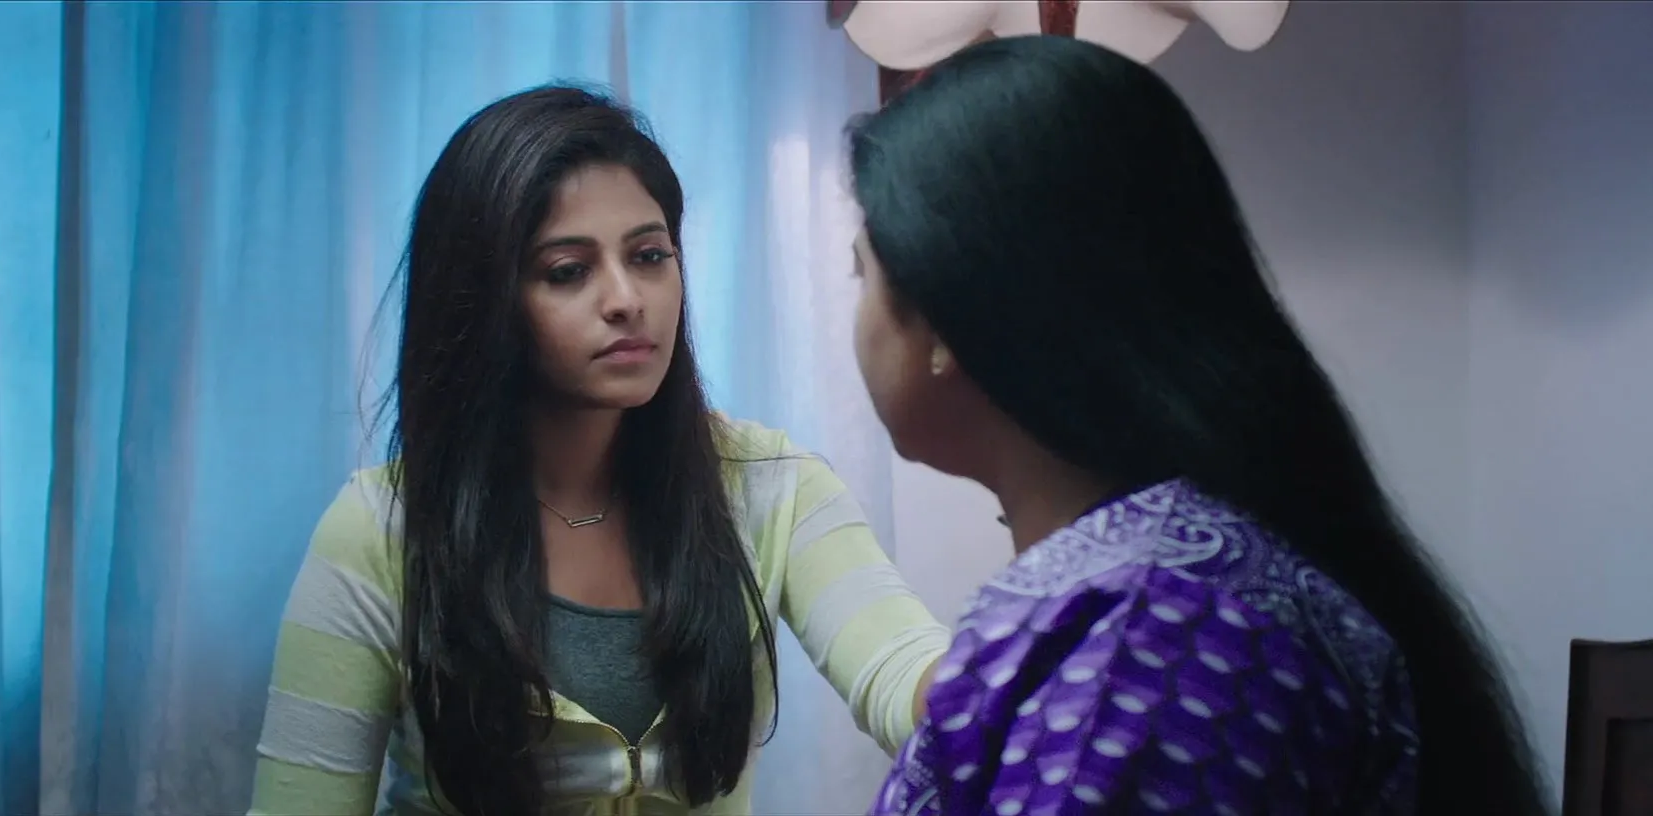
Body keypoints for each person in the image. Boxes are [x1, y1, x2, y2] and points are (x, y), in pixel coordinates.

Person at [844, 36, 1548, 816]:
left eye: (862, 273)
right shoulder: (1171, 595)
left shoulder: (1144, 635)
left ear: (942, 316)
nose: (856, 313)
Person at [248, 85, 951, 816]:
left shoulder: (771, 486)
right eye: (568, 271)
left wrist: (1023, 656)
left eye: (649, 256)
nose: (626, 299)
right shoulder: (384, 530)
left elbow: (901, 668)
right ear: (483, 299)